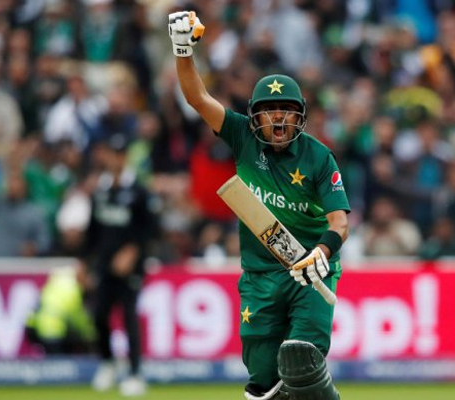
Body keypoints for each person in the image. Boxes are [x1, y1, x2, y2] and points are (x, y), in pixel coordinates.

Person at [168, 11, 350, 400]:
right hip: (260, 275)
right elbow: (196, 97)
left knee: (301, 361)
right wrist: (182, 50)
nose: (279, 119)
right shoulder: (242, 136)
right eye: (270, 110)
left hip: (309, 273)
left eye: (287, 110)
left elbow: (339, 222)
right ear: (255, 116)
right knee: (262, 384)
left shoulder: (319, 158)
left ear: (300, 115)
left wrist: (322, 251)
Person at [82, 133, 154, 397]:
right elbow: (93, 230)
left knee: (128, 316)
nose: (116, 159)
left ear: (125, 157)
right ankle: (109, 363)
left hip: (130, 267)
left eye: (120, 154)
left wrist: (133, 251)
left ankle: (135, 373)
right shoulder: (99, 189)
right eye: (112, 154)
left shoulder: (138, 190)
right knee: (99, 315)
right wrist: (83, 263)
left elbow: (149, 229)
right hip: (103, 264)